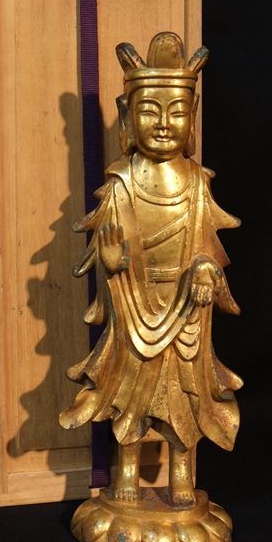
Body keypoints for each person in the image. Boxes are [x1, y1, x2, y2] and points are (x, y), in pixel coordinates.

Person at [59, 32, 243, 508]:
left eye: (177, 112)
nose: (163, 124)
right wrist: (111, 264)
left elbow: (207, 249)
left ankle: (182, 476)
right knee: (132, 395)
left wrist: (205, 272)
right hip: (134, 305)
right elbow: (106, 245)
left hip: (186, 311)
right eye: (149, 111)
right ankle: (125, 476)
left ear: (192, 117)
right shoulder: (121, 183)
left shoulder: (197, 184)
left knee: (185, 395)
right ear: (127, 117)